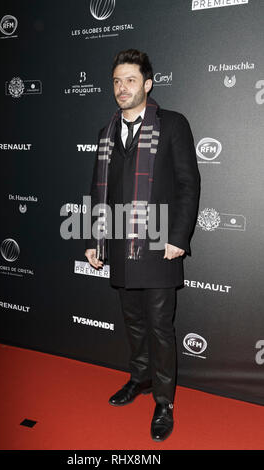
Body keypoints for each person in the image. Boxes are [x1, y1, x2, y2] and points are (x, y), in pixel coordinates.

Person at [85, 49, 200, 442]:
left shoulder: (172, 125)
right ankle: (141, 378)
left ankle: (164, 403)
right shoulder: (106, 132)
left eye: (130, 80)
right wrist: (94, 239)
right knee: (133, 323)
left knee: (160, 328)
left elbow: (188, 185)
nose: (122, 88)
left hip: (159, 243)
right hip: (120, 245)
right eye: (117, 81)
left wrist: (178, 238)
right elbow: (97, 191)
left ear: (148, 84)